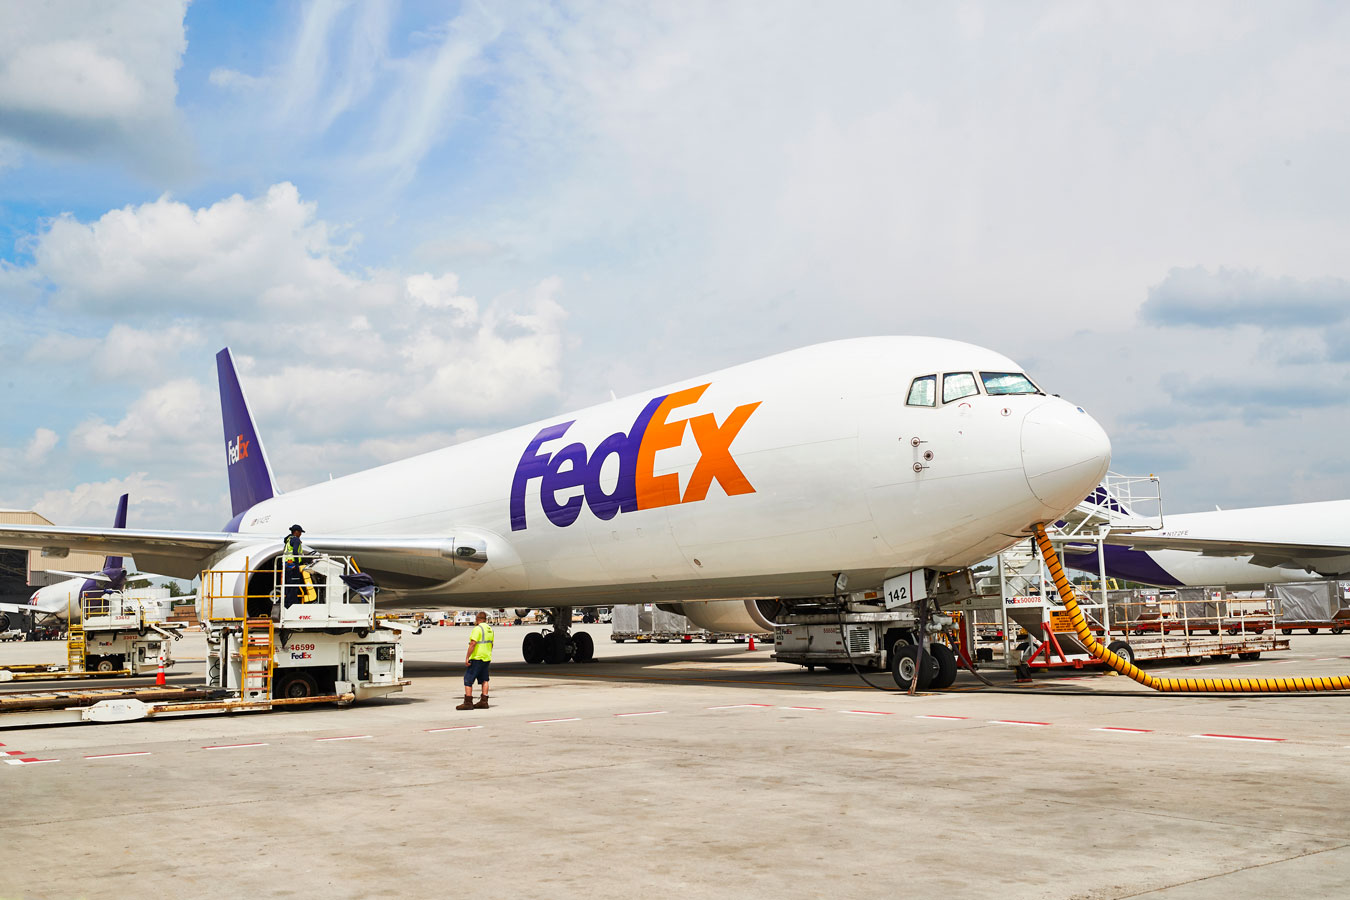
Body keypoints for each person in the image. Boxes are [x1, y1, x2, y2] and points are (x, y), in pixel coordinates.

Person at [458, 611, 494, 710]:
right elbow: (491, 644)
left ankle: (468, 702)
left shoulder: (477, 629)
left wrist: (467, 657)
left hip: (477, 658)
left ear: (477, 619)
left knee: (468, 680)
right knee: (485, 680)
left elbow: (473, 643)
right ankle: (484, 701)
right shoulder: (490, 629)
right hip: (486, 657)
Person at [282, 524, 308, 607]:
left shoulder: (288, 540)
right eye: (300, 532)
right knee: (294, 586)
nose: (300, 534)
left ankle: (286, 604)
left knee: (288, 586)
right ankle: (292, 605)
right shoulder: (295, 540)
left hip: (287, 565)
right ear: (296, 532)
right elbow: (295, 552)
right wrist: (297, 563)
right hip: (293, 566)